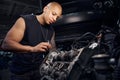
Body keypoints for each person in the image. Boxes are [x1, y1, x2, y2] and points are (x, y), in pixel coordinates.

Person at [1, 1, 62, 80]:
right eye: (53, 14)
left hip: (39, 72)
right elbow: (6, 44)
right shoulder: (25, 20)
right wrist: (32, 49)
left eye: (57, 17)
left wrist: (57, 54)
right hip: (20, 73)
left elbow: (53, 49)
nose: (54, 19)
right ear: (45, 9)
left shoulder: (51, 30)